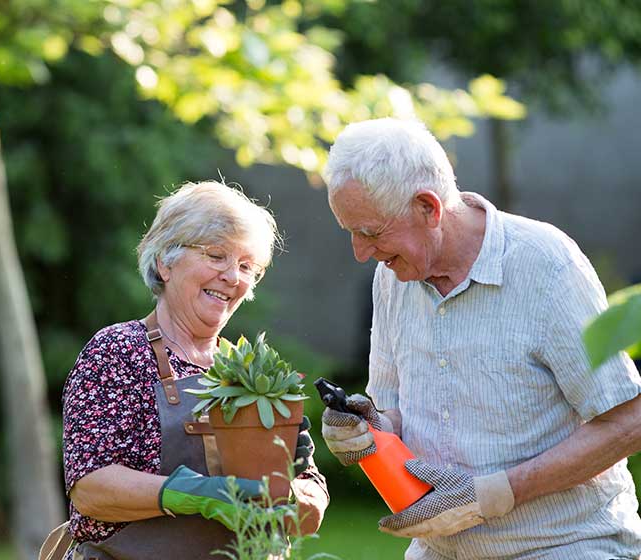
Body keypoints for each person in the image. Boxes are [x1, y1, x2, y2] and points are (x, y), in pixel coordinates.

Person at [319, 118, 641, 559]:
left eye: (370, 232)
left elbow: (628, 420)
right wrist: (366, 429)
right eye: (351, 232)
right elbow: (394, 413)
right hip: (439, 549)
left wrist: (497, 492)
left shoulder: (545, 265)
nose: (360, 252)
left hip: (565, 545)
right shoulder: (391, 277)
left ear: (428, 208)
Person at [56, 181, 329, 560]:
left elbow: (307, 479)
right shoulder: (118, 352)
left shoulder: (252, 370)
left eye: (247, 266)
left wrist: (300, 501)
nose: (233, 277)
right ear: (165, 262)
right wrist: (196, 494)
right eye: (217, 256)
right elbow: (91, 489)